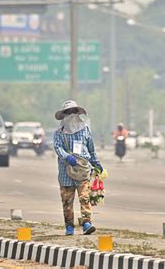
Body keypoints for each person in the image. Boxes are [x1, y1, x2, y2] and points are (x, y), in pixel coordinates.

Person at [53, 100, 103, 236]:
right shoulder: (59, 132)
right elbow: (57, 147)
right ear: (64, 115)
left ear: (77, 113)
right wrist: (66, 157)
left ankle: (86, 223)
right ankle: (69, 226)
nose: (71, 115)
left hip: (83, 170)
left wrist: (97, 163)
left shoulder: (85, 129)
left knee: (84, 197)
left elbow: (91, 148)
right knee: (67, 201)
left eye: (73, 112)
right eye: (68, 112)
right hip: (65, 171)